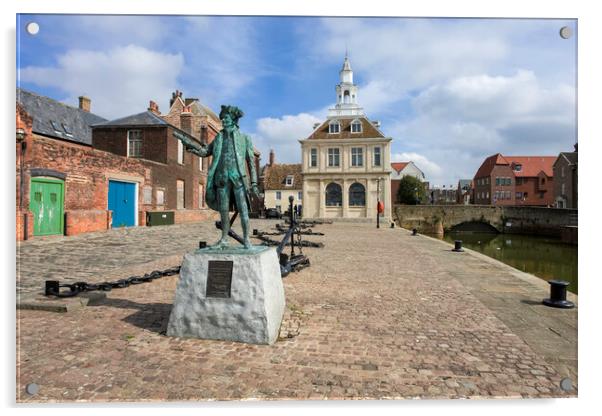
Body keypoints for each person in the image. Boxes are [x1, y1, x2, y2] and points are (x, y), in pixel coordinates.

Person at [176, 105, 259, 249]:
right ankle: (224, 240)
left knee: (243, 210)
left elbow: (251, 162)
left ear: (233, 119)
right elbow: (205, 151)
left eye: (226, 118)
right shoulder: (219, 137)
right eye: (222, 119)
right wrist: (189, 145)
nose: (223, 121)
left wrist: (254, 183)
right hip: (222, 178)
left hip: (238, 178)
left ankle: (247, 240)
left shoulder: (245, 138)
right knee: (224, 211)